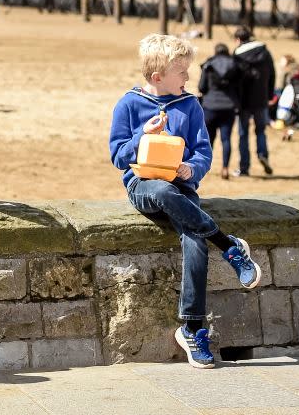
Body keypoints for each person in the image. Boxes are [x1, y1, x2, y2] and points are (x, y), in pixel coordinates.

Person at [109, 34, 262, 369]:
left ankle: (192, 329)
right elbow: (118, 157)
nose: (189, 77)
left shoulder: (191, 105)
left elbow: (203, 153)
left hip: (183, 189)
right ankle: (228, 245)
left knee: (194, 243)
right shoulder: (129, 104)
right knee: (162, 191)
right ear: (157, 76)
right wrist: (142, 137)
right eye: (181, 71)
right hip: (144, 186)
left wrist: (190, 168)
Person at [233, 26, 275, 177]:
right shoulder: (264, 51)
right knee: (261, 131)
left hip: (244, 101)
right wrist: (270, 95)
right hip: (261, 98)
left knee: (243, 133)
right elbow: (272, 74)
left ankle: (244, 168)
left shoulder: (237, 55)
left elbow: (235, 79)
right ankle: (263, 154)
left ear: (238, 39)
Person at [198, 44, 242, 180]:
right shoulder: (235, 65)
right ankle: (225, 168)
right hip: (228, 107)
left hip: (210, 106)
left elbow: (202, 87)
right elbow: (239, 86)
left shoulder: (209, 65)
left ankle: (205, 166)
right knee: (226, 139)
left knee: (209, 139)